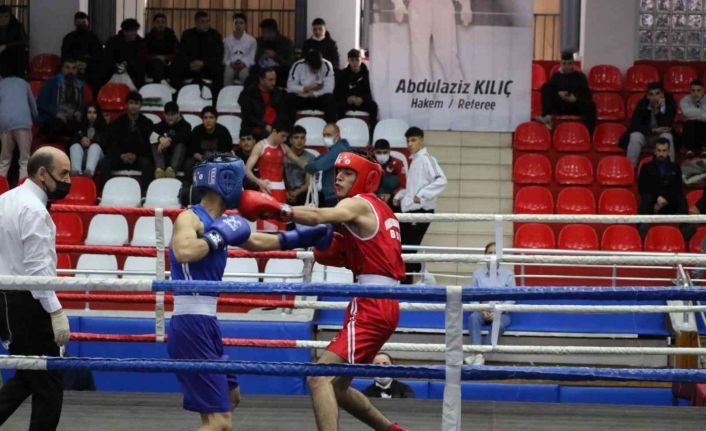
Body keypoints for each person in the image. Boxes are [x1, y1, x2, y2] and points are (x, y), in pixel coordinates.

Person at [237, 151, 409, 431]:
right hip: (381, 304)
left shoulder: (359, 203)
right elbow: (354, 254)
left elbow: (318, 214)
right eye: (337, 171)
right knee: (338, 387)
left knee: (318, 378)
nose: (338, 177)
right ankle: (391, 430)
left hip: (371, 305)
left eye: (348, 172)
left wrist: (283, 210)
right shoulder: (381, 210)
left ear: (366, 177)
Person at [168, 154, 332, 431]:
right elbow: (184, 251)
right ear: (227, 181)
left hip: (207, 324)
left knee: (230, 399)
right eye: (241, 180)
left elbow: (256, 240)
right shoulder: (190, 218)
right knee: (220, 423)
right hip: (191, 324)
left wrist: (302, 237)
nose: (243, 188)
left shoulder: (223, 222)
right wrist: (216, 236)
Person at [0, 147, 71, 430]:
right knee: (49, 380)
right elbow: (37, 271)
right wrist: (55, 311)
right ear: (42, 173)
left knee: (28, 375)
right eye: (64, 173)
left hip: (5, 300)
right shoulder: (33, 209)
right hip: (29, 304)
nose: (69, 181)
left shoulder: (5, 200)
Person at [394, 127, 447, 284]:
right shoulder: (415, 160)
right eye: (408, 141)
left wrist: (422, 195)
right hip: (411, 211)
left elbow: (441, 180)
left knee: (407, 249)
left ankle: (424, 275)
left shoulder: (426, 159)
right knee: (404, 248)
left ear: (422, 140)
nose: (410, 144)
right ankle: (411, 279)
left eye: (413, 140)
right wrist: (400, 196)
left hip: (421, 211)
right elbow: (413, 188)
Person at [392, 0, 471, 82]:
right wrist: (398, 3)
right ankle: (424, 93)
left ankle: (459, 90)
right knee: (419, 56)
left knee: (447, 54)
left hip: (443, 6)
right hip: (419, 6)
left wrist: (466, 5)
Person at [464, 242, 515, 366]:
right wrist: (481, 309)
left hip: (501, 312)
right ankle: (478, 354)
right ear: (485, 255)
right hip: (482, 309)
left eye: (495, 253)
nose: (492, 256)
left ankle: (478, 355)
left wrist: (498, 310)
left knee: (500, 324)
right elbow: (473, 296)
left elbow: (512, 297)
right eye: (489, 253)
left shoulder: (508, 274)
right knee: (473, 317)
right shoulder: (477, 274)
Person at [100, 91, 154, 192]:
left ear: (141, 105)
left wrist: (136, 155)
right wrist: (121, 155)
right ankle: (103, 193)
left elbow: (148, 145)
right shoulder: (117, 123)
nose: (133, 106)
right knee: (105, 163)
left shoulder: (147, 123)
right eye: (131, 103)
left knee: (147, 163)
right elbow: (112, 142)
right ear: (126, 105)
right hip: (120, 157)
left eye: (136, 103)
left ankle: (145, 195)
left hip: (138, 158)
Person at [637, 137, 691, 239]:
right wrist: (657, 198)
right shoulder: (646, 167)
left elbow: (677, 188)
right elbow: (642, 187)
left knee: (681, 197)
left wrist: (665, 200)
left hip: (669, 203)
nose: (661, 153)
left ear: (668, 151)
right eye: (659, 150)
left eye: (664, 150)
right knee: (645, 197)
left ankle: (685, 227)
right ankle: (643, 225)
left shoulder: (675, 167)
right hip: (652, 204)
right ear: (654, 151)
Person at [245, 119, 305, 204]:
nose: (284, 139)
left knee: (281, 216)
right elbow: (247, 170)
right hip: (266, 189)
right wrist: (259, 182)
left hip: (281, 191)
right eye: (283, 136)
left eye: (286, 137)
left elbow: (300, 162)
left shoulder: (284, 147)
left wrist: (314, 167)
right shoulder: (260, 146)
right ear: (274, 131)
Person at [537, 51, 597, 132]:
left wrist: (575, 99)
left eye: (569, 63)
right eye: (564, 63)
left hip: (575, 106)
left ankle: (588, 134)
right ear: (561, 63)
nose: (567, 66)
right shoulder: (556, 76)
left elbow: (587, 96)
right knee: (546, 87)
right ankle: (547, 117)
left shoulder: (580, 77)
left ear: (573, 63)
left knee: (591, 106)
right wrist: (559, 94)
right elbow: (551, 93)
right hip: (560, 106)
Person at [623, 81, 676, 168]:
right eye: (651, 94)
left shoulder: (670, 104)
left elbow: (667, 125)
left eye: (657, 94)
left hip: (660, 137)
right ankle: (630, 168)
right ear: (647, 96)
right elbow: (634, 125)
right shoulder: (642, 104)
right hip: (645, 136)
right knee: (634, 136)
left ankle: (670, 168)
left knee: (668, 136)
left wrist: (658, 110)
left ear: (662, 94)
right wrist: (652, 130)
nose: (654, 97)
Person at [300, 123, 351, 208]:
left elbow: (317, 166)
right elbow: (319, 159)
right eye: (324, 135)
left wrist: (307, 167)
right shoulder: (335, 150)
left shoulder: (339, 150)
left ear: (337, 136)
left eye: (329, 135)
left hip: (335, 197)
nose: (325, 137)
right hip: (334, 195)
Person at [171, 10, 224, 91]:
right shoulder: (187, 34)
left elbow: (218, 54)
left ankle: (215, 99)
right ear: (196, 22)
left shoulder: (215, 35)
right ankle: (177, 95)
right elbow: (181, 52)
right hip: (190, 67)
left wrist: (203, 63)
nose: (206, 24)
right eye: (202, 22)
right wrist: (190, 63)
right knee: (175, 66)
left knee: (219, 69)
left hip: (207, 67)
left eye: (207, 21)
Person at [0, 65, 37, 180]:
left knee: (4, 161)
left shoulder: (1, 84)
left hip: (4, 124)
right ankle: (23, 190)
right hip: (23, 123)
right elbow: (33, 106)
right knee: (25, 160)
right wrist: (36, 119)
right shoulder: (24, 84)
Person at [37, 59, 85, 141]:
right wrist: (56, 113)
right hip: (53, 119)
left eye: (73, 68)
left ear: (77, 71)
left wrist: (79, 111)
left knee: (82, 127)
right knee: (56, 125)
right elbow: (40, 103)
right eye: (67, 67)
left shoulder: (79, 85)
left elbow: (81, 105)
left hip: (70, 120)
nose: (70, 71)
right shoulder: (51, 82)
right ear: (62, 69)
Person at [286, 49, 337, 123]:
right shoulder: (298, 65)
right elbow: (290, 86)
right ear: (307, 63)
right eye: (313, 69)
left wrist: (312, 94)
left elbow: (329, 88)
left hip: (318, 97)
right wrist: (306, 88)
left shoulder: (327, 65)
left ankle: (331, 127)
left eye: (318, 68)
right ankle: (289, 127)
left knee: (330, 99)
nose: (316, 71)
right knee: (289, 98)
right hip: (302, 96)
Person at [184, 106, 233, 181]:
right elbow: (193, 151)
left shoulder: (223, 131)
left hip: (218, 159)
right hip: (200, 159)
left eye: (211, 117)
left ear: (216, 119)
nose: (208, 120)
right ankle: (187, 186)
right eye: (205, 118)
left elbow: (226, 151)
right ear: (202, 119)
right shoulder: (197, 131)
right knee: (189, 163)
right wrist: (203, 159)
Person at [238, 67, 288, 139]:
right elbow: (248, 116)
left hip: (272, 130)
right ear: (261, 80)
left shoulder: (278, 93)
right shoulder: (248, 94)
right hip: (252, 129)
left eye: (275, 79)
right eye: (270, 80)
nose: (273, 83)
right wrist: (264, 126)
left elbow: (281, 114)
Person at [61, 12, 103, 94]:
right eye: (79, 22)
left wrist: (86, 65)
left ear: (87, 22)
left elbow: (98, 55)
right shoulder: (68, 38)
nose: (81, 24)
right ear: (75, 23)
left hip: (90, 67)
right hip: (72, 66)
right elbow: (65, 55)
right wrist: (75, 64)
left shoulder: (94, 38)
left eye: (83, 22)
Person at [335, 49, 378, 123]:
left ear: (361, 60)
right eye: (352, 60)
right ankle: (340, 128)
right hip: (348, 102)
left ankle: (372, 132)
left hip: (361, 102)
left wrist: (362, 99)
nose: (354, 62)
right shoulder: (342, 74)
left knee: (373, 106)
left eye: (357, 60)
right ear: (348, 60)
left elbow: (370, 91)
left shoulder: (367, 74)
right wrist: (347, 98)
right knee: (337, 106)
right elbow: (337, 92)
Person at [150, 101, 190, 178]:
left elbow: (184, 137)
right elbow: (151, 133)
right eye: (168, 114)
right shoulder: (160, 125)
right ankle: (160, 170)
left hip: (177, 160)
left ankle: (172, 171)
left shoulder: (185, 126)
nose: (170, 117)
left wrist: (169, 140)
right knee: (154, 142)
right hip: (164, 157)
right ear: (164, 115)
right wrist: (160, 139)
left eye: (173, 114)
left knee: (181, 145)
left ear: (178, 114)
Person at [104, 18, 148, 89]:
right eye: (132, 31)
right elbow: (108, 56)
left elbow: (141, 57)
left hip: (132, 68)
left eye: (136, 30)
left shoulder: (140, 42)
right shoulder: (113, 42)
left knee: (140, 68)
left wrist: (128, 64)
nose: (135, 33)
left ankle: (139, 92)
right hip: (115, 67)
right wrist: (117, 66)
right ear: (124, 31)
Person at [69, 102, 107, 177]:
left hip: (98, 158)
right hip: (83, 156)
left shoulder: (103, 127)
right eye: (89, 112)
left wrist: (91, 142)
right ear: (86, 114)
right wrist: (81, 141)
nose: (92, 115)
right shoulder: (80, 126)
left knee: (94, 147)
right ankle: (76, 173)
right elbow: (72, 140)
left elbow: (105, 144)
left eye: (94, 113)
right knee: (75, 146)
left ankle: (88, 174)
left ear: (98, 114)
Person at [255, 18, 294, 87]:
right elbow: (255, 59)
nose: (262, 35)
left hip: (279, 71)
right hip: (262, 69)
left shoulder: (286, 43)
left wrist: (275, 56)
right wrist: (262, 57)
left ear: (272, 32)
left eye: (264, 32)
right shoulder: (260, 41)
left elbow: (289, 64)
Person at [223, 12, 256, 86]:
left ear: (245, 25)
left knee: (244, 74)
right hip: (231, 65)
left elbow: (252, 58)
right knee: (228, 73)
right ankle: (226, 95)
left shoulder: (252, 40)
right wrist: (231, 63)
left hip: (245, 66)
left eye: (241, 23)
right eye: (236, 23)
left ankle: (245, 95)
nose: (238, 25)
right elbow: (225, 58)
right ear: (233, 24)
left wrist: (244, 63)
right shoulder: (226, 40)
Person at [284, 125, 315, 205]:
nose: (299, 141)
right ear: (290, 140)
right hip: (284, 191)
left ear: (305, 140)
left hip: (302, 193)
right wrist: (286, 192)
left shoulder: (310, 157)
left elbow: (308, 183)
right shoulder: (282, 156)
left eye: (302, 138)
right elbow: (279, 177)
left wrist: (295, 193)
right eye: (296, 137)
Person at [145, 13, 178, 85]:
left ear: (166, 23)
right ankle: (161, 85)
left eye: (163, 22)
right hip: (152, 65)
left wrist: (165, 58)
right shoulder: (148, 37)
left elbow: (177, 53)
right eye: (158, 22)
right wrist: (156, 57)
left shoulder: (172, 37)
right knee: (157, 63)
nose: (160, 24)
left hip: (169, 64)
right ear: (153, 23)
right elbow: (144, 54)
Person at [372, 139, 406, 210]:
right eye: (379, 152)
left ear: (389, 151)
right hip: (372, 198)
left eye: (385, 152)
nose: (382, 155)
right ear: (374, 152)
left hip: (392, 198)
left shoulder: (398, 163)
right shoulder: (369, 163)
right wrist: (376, 195)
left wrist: (392, 194)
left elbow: (404, 185)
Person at [680, 79, 706, 158]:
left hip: (703, 133)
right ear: (690, 91)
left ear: (703, 90)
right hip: (689, 133)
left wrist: (694, 115)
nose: (696, 93)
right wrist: (702, 113)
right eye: (693, 90)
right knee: (690, 122)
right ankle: (689, 150)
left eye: (698, 90)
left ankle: (705, 149)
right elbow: (686, 113)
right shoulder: (684, 100)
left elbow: (690, 114)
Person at [0, 6, 28, 77]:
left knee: (20, 51)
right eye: (0, 17)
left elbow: (24, 41)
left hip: (14, 56)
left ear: (10, 16)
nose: (3, 19)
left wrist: (6, 46)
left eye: (6, 17)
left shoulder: (17, 26)